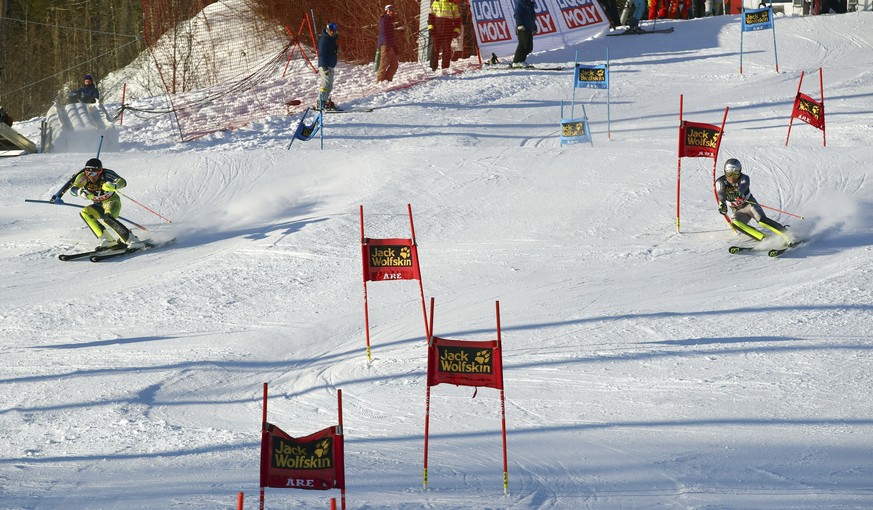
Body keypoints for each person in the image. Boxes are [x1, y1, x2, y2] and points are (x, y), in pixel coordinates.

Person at [68, 158, 143, 249]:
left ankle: (133, 240)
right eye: (88, 172)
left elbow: (122, 181)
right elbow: (73, 189)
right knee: (85, 212)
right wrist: (80, 192)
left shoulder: (106, 174)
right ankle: (107, 240)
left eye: (94, 173)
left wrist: (115, 185)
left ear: (100, 171)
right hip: (98, 204)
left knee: (107, 219)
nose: (91, 176)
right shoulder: (83, 177)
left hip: (111, 201)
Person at [715, 158, 788, 241]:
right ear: (725, 172)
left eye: (735, 174)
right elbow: (721, 194)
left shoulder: (744, 178)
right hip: (737, 211)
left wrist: (738, 193)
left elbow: (743, 186)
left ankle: (785, 233)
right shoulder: (720, 182)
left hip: (749, 205)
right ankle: (763, 238)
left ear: (739, 172)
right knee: (736, 223)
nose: (732, 177)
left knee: (761, 220)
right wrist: (722, 205)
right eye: (729, 173)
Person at [428, 0, 461, 72]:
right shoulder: (435, 3)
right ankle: (433, 67)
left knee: (447, 49)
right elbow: (431, 17)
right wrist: (430, 28)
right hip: (437, 30)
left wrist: (456, 30)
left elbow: (457, 20)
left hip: (448, 30)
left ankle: (445, 68)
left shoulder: (452, 4)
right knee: (435, 49)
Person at [317, 23, 339, 110]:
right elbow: (321, 54)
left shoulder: (331, 40)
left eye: (334, 31)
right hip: (325, 65)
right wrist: (324, 66)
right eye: (331, 31)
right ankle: (321, 102)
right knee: (325, 84)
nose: (332, 32)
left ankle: (325, 101)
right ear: (327, 30)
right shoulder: (324, 40)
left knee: (329, 85)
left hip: (330, 65)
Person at [377, 5, 400, 82]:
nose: (392, 12)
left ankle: (387, 81)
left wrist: (395, 47)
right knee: (384, 64)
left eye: (393, 11)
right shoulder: (383, 20)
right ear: (386, 11)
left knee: (394, 65)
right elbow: (383, 33)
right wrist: (386, 44)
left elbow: (391, 36)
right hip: (386, 45)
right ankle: (380, 81)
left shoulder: (390, 21)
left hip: (391, 46)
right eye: (390, 11)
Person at [512, 0, 536, 68]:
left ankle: (521, 60)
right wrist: (519, 24)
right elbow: (517, 14)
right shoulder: (521, 2)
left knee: (529, 47)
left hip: (528, 27)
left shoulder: (531, 3)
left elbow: (532, 16)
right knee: (523, 45)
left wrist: (533, 26)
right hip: (522, 28)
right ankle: (516, 62)